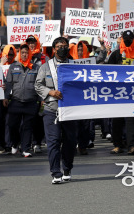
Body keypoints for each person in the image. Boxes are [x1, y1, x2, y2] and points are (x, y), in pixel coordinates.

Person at [35, 36, 78, 184]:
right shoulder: (45, 67)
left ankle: (67, 169)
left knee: (70, 142)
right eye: (59, 46)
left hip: (70, 110)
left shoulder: (74, 65)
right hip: (51, 110)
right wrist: (50, 92)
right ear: (54, 49)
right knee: (53, 142)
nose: (62, 48)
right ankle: (55, 172)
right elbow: (38, 85)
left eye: (65, 45)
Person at [5, 43, 41, 157]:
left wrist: (40, 100)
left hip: (31, 102)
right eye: (23, 53)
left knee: (28, 126)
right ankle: (15, 144)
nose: (25, 55)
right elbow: (8, 83)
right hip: (16, 101)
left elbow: (39, 85)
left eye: (27, 53)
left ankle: (25, 149)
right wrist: (5, 97)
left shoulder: (36, 68)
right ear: (20, 54)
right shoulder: (13, 66)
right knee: (12, 125)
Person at [108, 30, 134, 154]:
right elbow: (107, 71)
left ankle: (132, 145)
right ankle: (117, 145)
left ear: (133, 39)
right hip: (117, 93)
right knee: (116, 120)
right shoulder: (115, 54)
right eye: (125, 38)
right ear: (122, 39)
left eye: (130, 39)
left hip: (132, 92)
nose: (127, 41)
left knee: (131, 121)